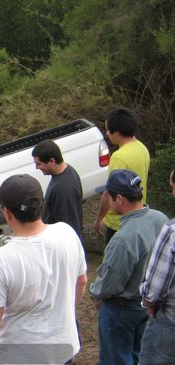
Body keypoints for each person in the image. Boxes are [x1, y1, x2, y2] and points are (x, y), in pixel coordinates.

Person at [0, 174, 87, 365]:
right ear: (42, 204)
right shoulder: (67, 233)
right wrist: (63, 313)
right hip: (62, 347)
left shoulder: (0, 260)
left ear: (6, 213)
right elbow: (81, 281)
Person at [89, 169, 168, 365]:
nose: (107, 200)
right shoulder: (161, 219)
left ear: (120, 199)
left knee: (115, 360)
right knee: (140, 355)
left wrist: (95, 293)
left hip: (121, 309)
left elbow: (110, 285)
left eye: (109, 196)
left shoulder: (124, 239)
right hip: (149, 305)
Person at [93, 107, 150, 243]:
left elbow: (109, 192)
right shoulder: (142, 148)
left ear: (117, 132)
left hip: (118, 221)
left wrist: (100, 218)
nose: (107, 133)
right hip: (139, 214)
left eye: (108, 130)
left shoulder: (119, 157)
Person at [139, 167, 175, 365]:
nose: (171, 193)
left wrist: (148, 302)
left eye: (172, 187)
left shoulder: (171, 231)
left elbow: (154, 290)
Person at [32, 139, 84, 239]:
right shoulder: (67, 170)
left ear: (52, 161)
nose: (36, 168)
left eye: (38, 164)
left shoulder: (64, 190)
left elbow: (68, 228)